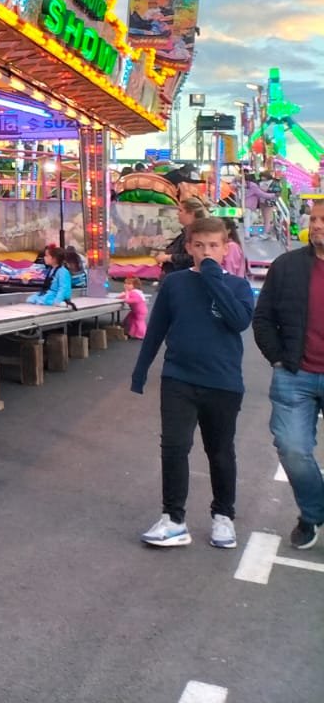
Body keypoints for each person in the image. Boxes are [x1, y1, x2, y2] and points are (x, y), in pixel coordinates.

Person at [130, 216, 255, 549]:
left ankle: (223, 516)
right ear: (189, 247)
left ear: (226, 248)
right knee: (174, 447)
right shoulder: (175, 283)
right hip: (179, 377)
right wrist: (141, 371)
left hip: (223, 382)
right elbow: (157, 329)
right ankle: (173, 519)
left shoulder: (238, 286)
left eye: (213, 245)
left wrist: (213, 276)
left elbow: (239, 321)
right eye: (199, 246)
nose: (206, 252)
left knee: (220, 451)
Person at [252, 197, 324, 551]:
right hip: (296, 374)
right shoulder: (288, 266)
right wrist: (277, 358)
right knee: (292, 449)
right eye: (314, 219)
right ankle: (313, 513)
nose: (317, 225)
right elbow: (263, 317)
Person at [156, 197, 209, 275]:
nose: (177, 213)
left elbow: (193, 257)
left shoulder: (197, 234)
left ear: (191, 213)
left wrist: (168, 257)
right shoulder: (186, 233)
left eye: (180, 210)